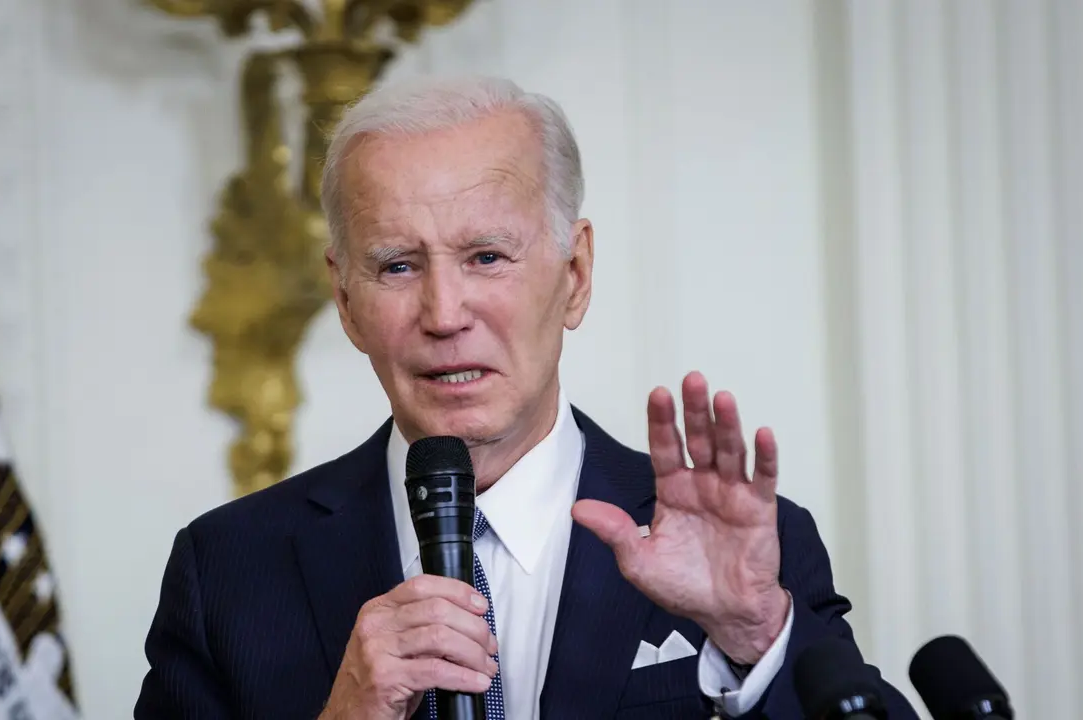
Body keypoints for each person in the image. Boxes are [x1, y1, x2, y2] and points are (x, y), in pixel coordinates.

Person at [134, 75, 917, 719]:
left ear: (574, 276)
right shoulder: (229, 569)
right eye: (398, 267)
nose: (444, 315)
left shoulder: (744, 549)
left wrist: (755, 636)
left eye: (486, 256)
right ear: (345, 301)